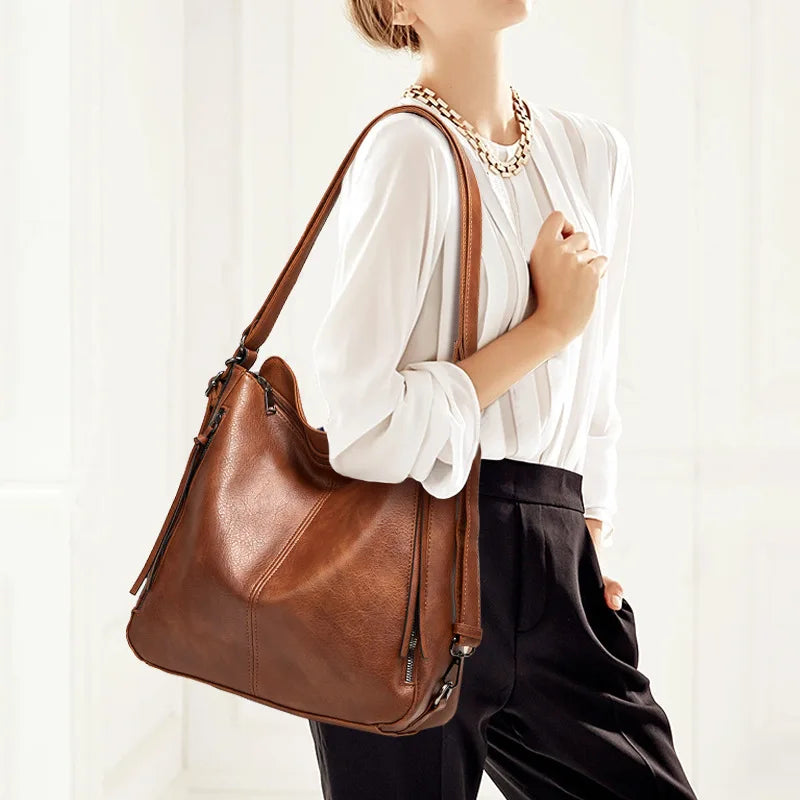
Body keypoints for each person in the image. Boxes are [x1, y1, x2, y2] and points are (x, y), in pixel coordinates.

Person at [307, 1, 699, 798]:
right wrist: (546, 327)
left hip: (555, 564)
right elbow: (359, 426)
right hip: (401, 583)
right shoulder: (406, 152)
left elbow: (597, 391)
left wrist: (585, 541)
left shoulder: (593, 158)